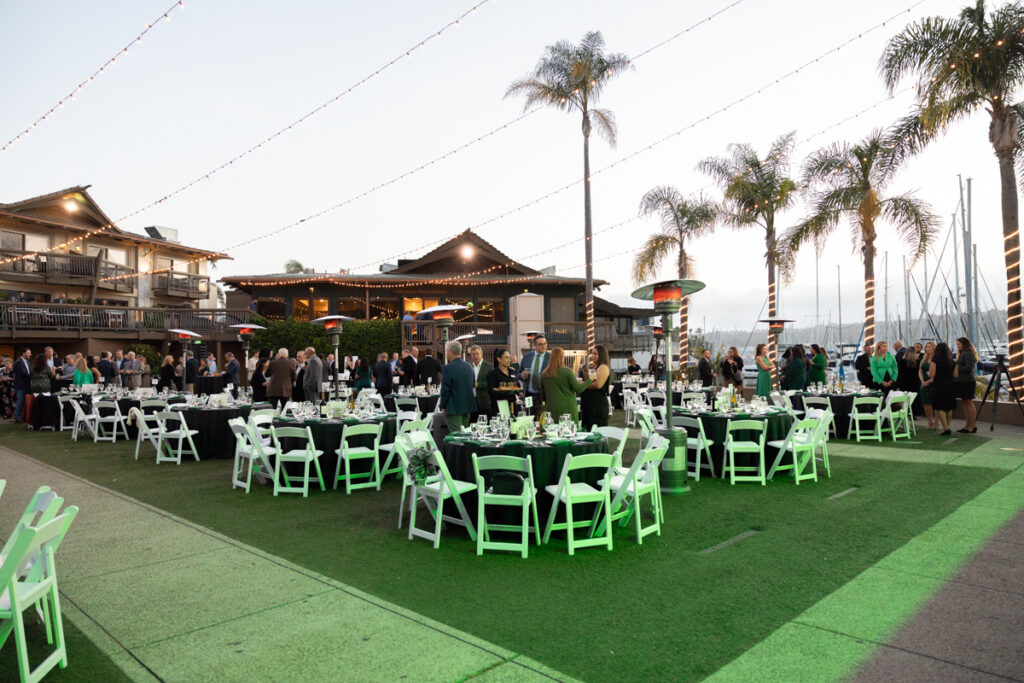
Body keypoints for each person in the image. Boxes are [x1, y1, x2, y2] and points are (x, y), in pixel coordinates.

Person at [540, 347, 592, 423]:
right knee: (569, 431)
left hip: (551, 408)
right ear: (562, 358)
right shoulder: (567, 371)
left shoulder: (544, 374)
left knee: (553, 431)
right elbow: (578, 389)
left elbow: (542, 396)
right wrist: (590, 380)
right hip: (567, 408)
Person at [439, 340, 475, 433]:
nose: (446, 353)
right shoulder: (469, 366)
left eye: (447, 351)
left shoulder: (448, 368)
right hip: (467, 406)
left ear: (450, 351)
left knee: (456, 437)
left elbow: (445, 390)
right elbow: (473, 384)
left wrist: (442, 406)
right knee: (464, 435)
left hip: (453, 407)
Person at [929, 342, 957, 435]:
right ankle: (947, 426)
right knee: (948, 408)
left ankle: (945, 428)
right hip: (950, 385)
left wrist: (928, 374)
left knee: (939, 407)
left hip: (939, 385)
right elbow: (956, 375)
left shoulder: (935, 359)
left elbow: (932, 374)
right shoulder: (952, 360)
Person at [580, 344, 611, 429]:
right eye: (592, 353)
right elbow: (588, 380)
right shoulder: (593, 366)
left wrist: (583, 384)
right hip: (589, 404)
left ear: (601, 355)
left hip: (597, 405)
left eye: (595, 354)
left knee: (596, 431)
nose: (592, 356)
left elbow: (598, 384)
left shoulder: (603, 367)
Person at [519, 335, 549, 414]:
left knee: (541, 419)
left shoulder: (550, 358)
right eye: (540, 344)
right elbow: (518, 373)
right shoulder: (526, 357)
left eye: (545, 344)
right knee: (529, 417)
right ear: (535, 345)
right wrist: (522, 376)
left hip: (542, 395)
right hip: (529, 395)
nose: (543, 346)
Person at [955, 337, 978, 433]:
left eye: (959, 344)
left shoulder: (968, 354)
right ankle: (967, 425)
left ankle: (972, 426)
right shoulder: (962, 354)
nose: (957, 346)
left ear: (964, 344)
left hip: (967, 381)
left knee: (969, 403)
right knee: (965, 403)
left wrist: (957, 368)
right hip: (962, 381)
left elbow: (969, 368)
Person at [487, 348, 520, 413]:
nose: (509, 360)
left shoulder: (512, 372)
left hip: (513, 407)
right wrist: (504, 391)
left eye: (509, 358)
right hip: (499, 407)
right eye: (506, 358)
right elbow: (492, 392)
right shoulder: (492, 374)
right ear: (499, 359)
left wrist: (520, 392)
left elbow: (518, 386)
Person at [468, 345, 493, 419]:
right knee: (472, 424)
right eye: (473, 354)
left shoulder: (489, 367)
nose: (475, 356)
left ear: (481, 353)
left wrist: (478, 384)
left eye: (477, 354)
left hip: (484, 401)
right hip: (471, 401)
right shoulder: (468, 366)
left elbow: (491, 383)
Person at [897, 344, 922, 416]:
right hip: (915, 382)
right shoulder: (918, 362)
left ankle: (905, 412)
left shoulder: (902, 361)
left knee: (905, 398)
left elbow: (900, 373)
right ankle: (914, 414)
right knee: (914, 399)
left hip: (904, 382)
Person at [918, 341, 937, 429]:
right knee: (926, 403)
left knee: (934, 403)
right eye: (926, 347)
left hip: (933, 382)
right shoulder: (924, 358)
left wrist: (929, 381)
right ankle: (930, 421)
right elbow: (920, 371)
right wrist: (922, 381)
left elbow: (938, 373)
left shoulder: (936, 359)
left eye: (929, 347)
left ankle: (936, 422)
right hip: (923, 383)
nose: (927, 348)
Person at [13, 348, 32, 422]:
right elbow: (24, 373)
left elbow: (30, 371)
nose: (30, 354)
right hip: (20, 385)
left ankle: (22, 416)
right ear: (23, 353)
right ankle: (17, 417)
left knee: (23, 401)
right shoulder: (18, 362)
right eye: (28, 353)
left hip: (26, 385)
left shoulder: (28, 362)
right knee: (20, 400)